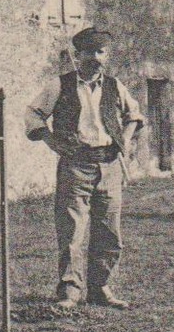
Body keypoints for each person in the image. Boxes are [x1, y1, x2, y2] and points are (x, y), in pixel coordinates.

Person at [24, 26, 144, 309]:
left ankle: (100, 288)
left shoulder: (115, 86)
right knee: (72, 231)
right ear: (77, 56)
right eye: (88, 52)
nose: (95, 58)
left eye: (100, 52)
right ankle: (70, 291)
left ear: (107, 55)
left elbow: (134, 115)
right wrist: (51, 141)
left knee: (109, 231)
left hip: (110, 165)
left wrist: (124, 140)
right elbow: (33, 113)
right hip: (75, 165)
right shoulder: (60, 85)